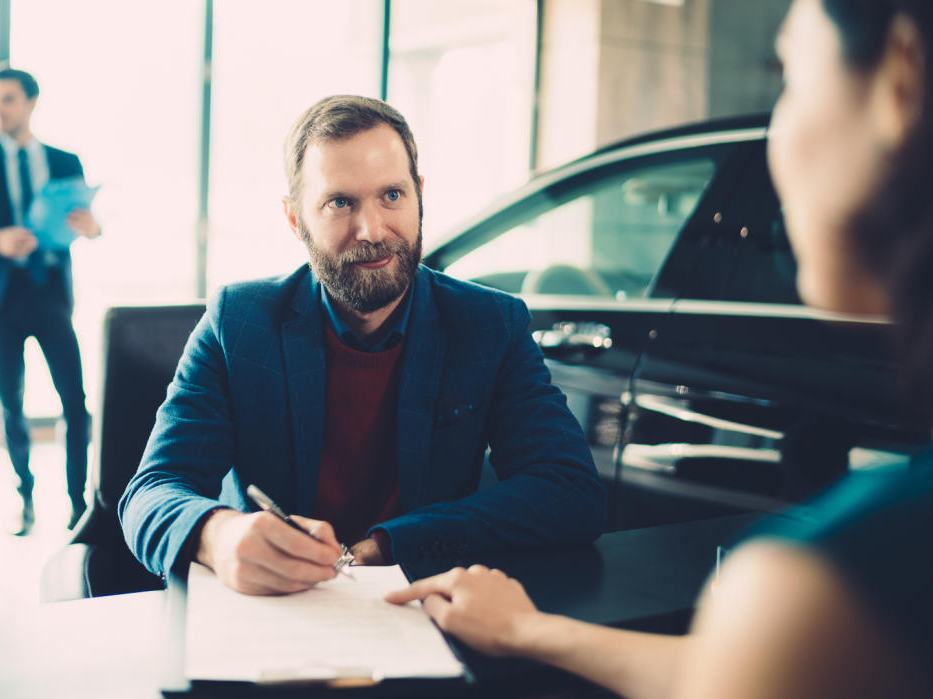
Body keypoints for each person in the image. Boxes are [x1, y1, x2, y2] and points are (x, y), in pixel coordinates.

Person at [387, 1, 933, 696]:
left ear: (900, 81)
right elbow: (725, 673)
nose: (776, 137)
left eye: (790, 74)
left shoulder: (824, 592)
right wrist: (532, 630)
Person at [119, 95, 607, 595]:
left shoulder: (490, 323)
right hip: (272, 608)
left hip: (424, 603)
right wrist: (217, 536)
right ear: (295, 220)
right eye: (339, 202)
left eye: (392, 195)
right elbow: (151, 493)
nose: (372, 230)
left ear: (419, 194)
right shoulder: (239, 323)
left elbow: (570, 491)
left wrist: (388, 544)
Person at [0, 67, 102, 534]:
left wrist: (93, 229)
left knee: (74, 400)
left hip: (52, 291)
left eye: (9, 99)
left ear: (32, 102)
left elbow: (87, 221)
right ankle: (25, 494)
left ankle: (78, 503)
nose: (1, 109)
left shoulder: (65, 160)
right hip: (3, 298)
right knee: (10, 402)